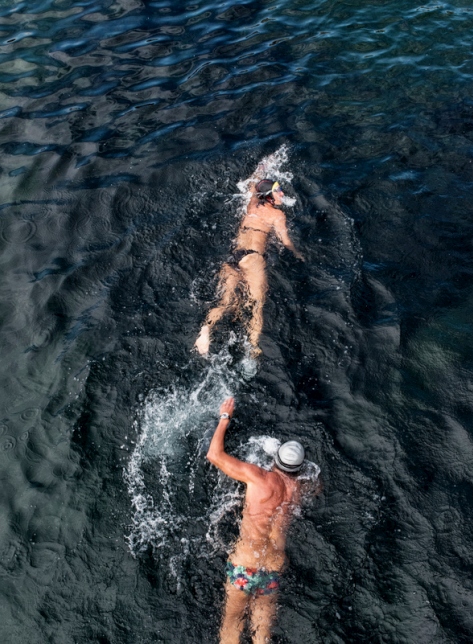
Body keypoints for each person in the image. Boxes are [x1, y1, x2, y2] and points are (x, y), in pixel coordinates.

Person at [206, 396, 310, 644]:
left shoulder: (259, 477)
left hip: (245, 565)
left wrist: (224, 417)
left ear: (275, 460)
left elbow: (214, 455)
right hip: (272, 570)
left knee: (231, 629)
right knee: (262, 638)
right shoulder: (302, 488)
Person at [194, 169, 304, 359]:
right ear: (269, 196)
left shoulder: (252, 204)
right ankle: (252, 347)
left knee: (226, 301)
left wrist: (262, 169)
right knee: (257, 304)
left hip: (233, 257)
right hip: (252, 259)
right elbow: (285, 241)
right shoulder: (277, 215)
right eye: (277, 191)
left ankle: (205, 331)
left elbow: (254, 184)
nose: (282, 194)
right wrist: (298, 253)